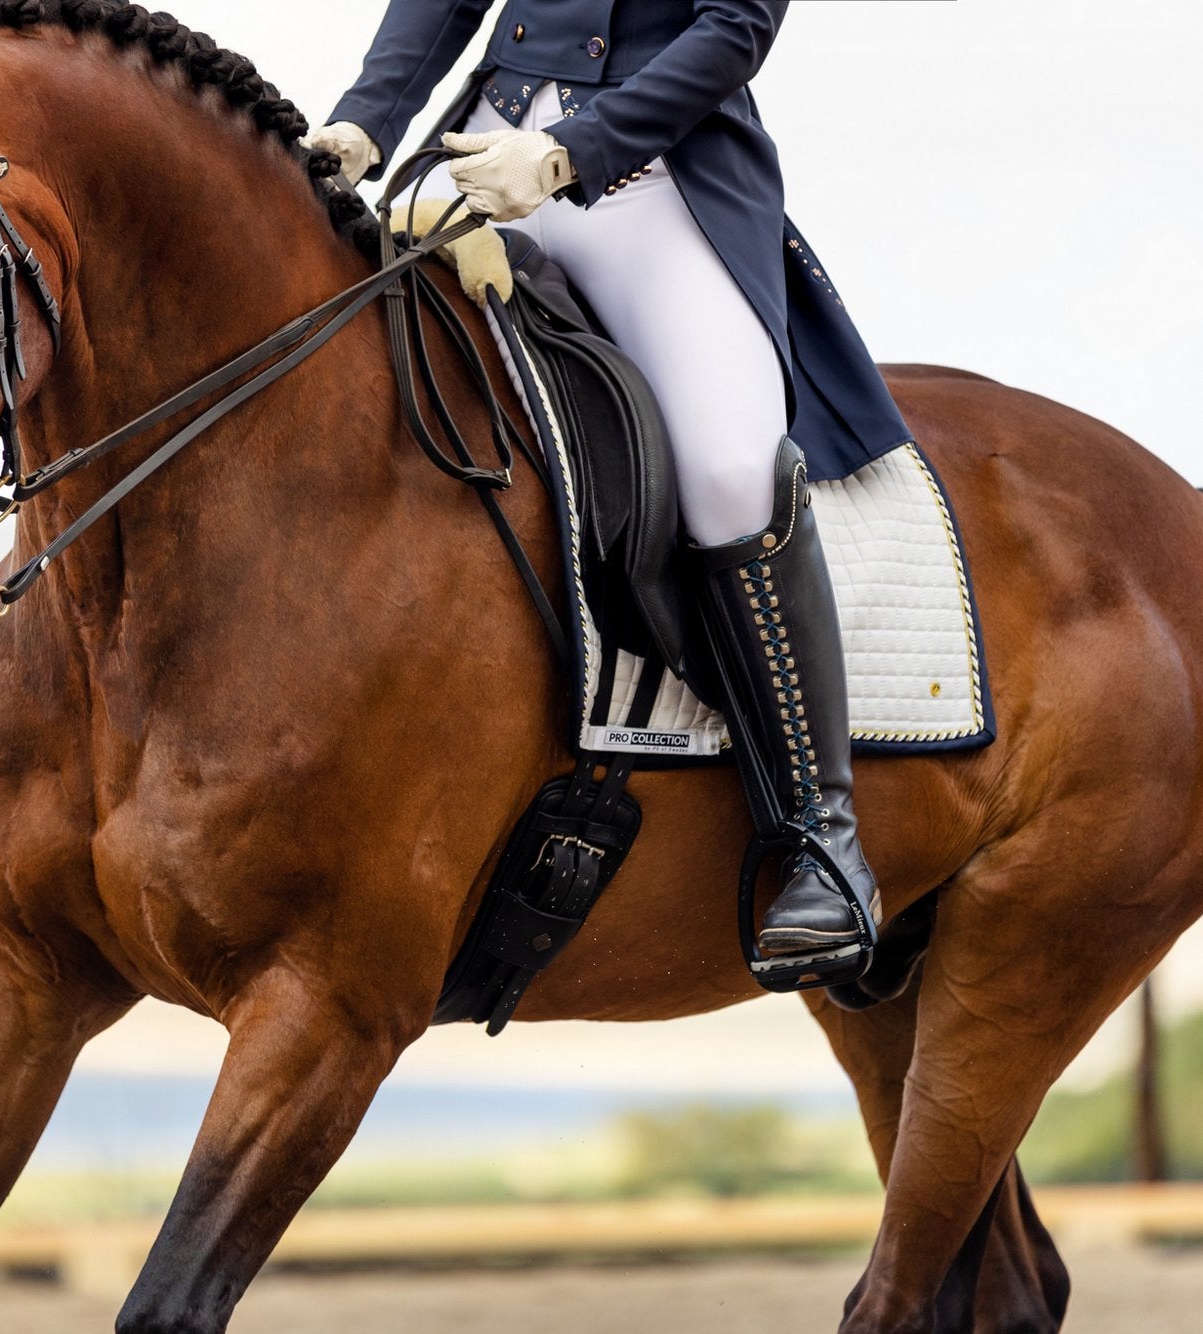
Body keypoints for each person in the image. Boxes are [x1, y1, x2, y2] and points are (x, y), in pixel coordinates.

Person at [310, 0, 914, 954]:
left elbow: (732, 28)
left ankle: (822, 839)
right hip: (477, 149)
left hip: (651, 176)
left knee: (725, 470)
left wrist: (561, 156)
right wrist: (364, 123)